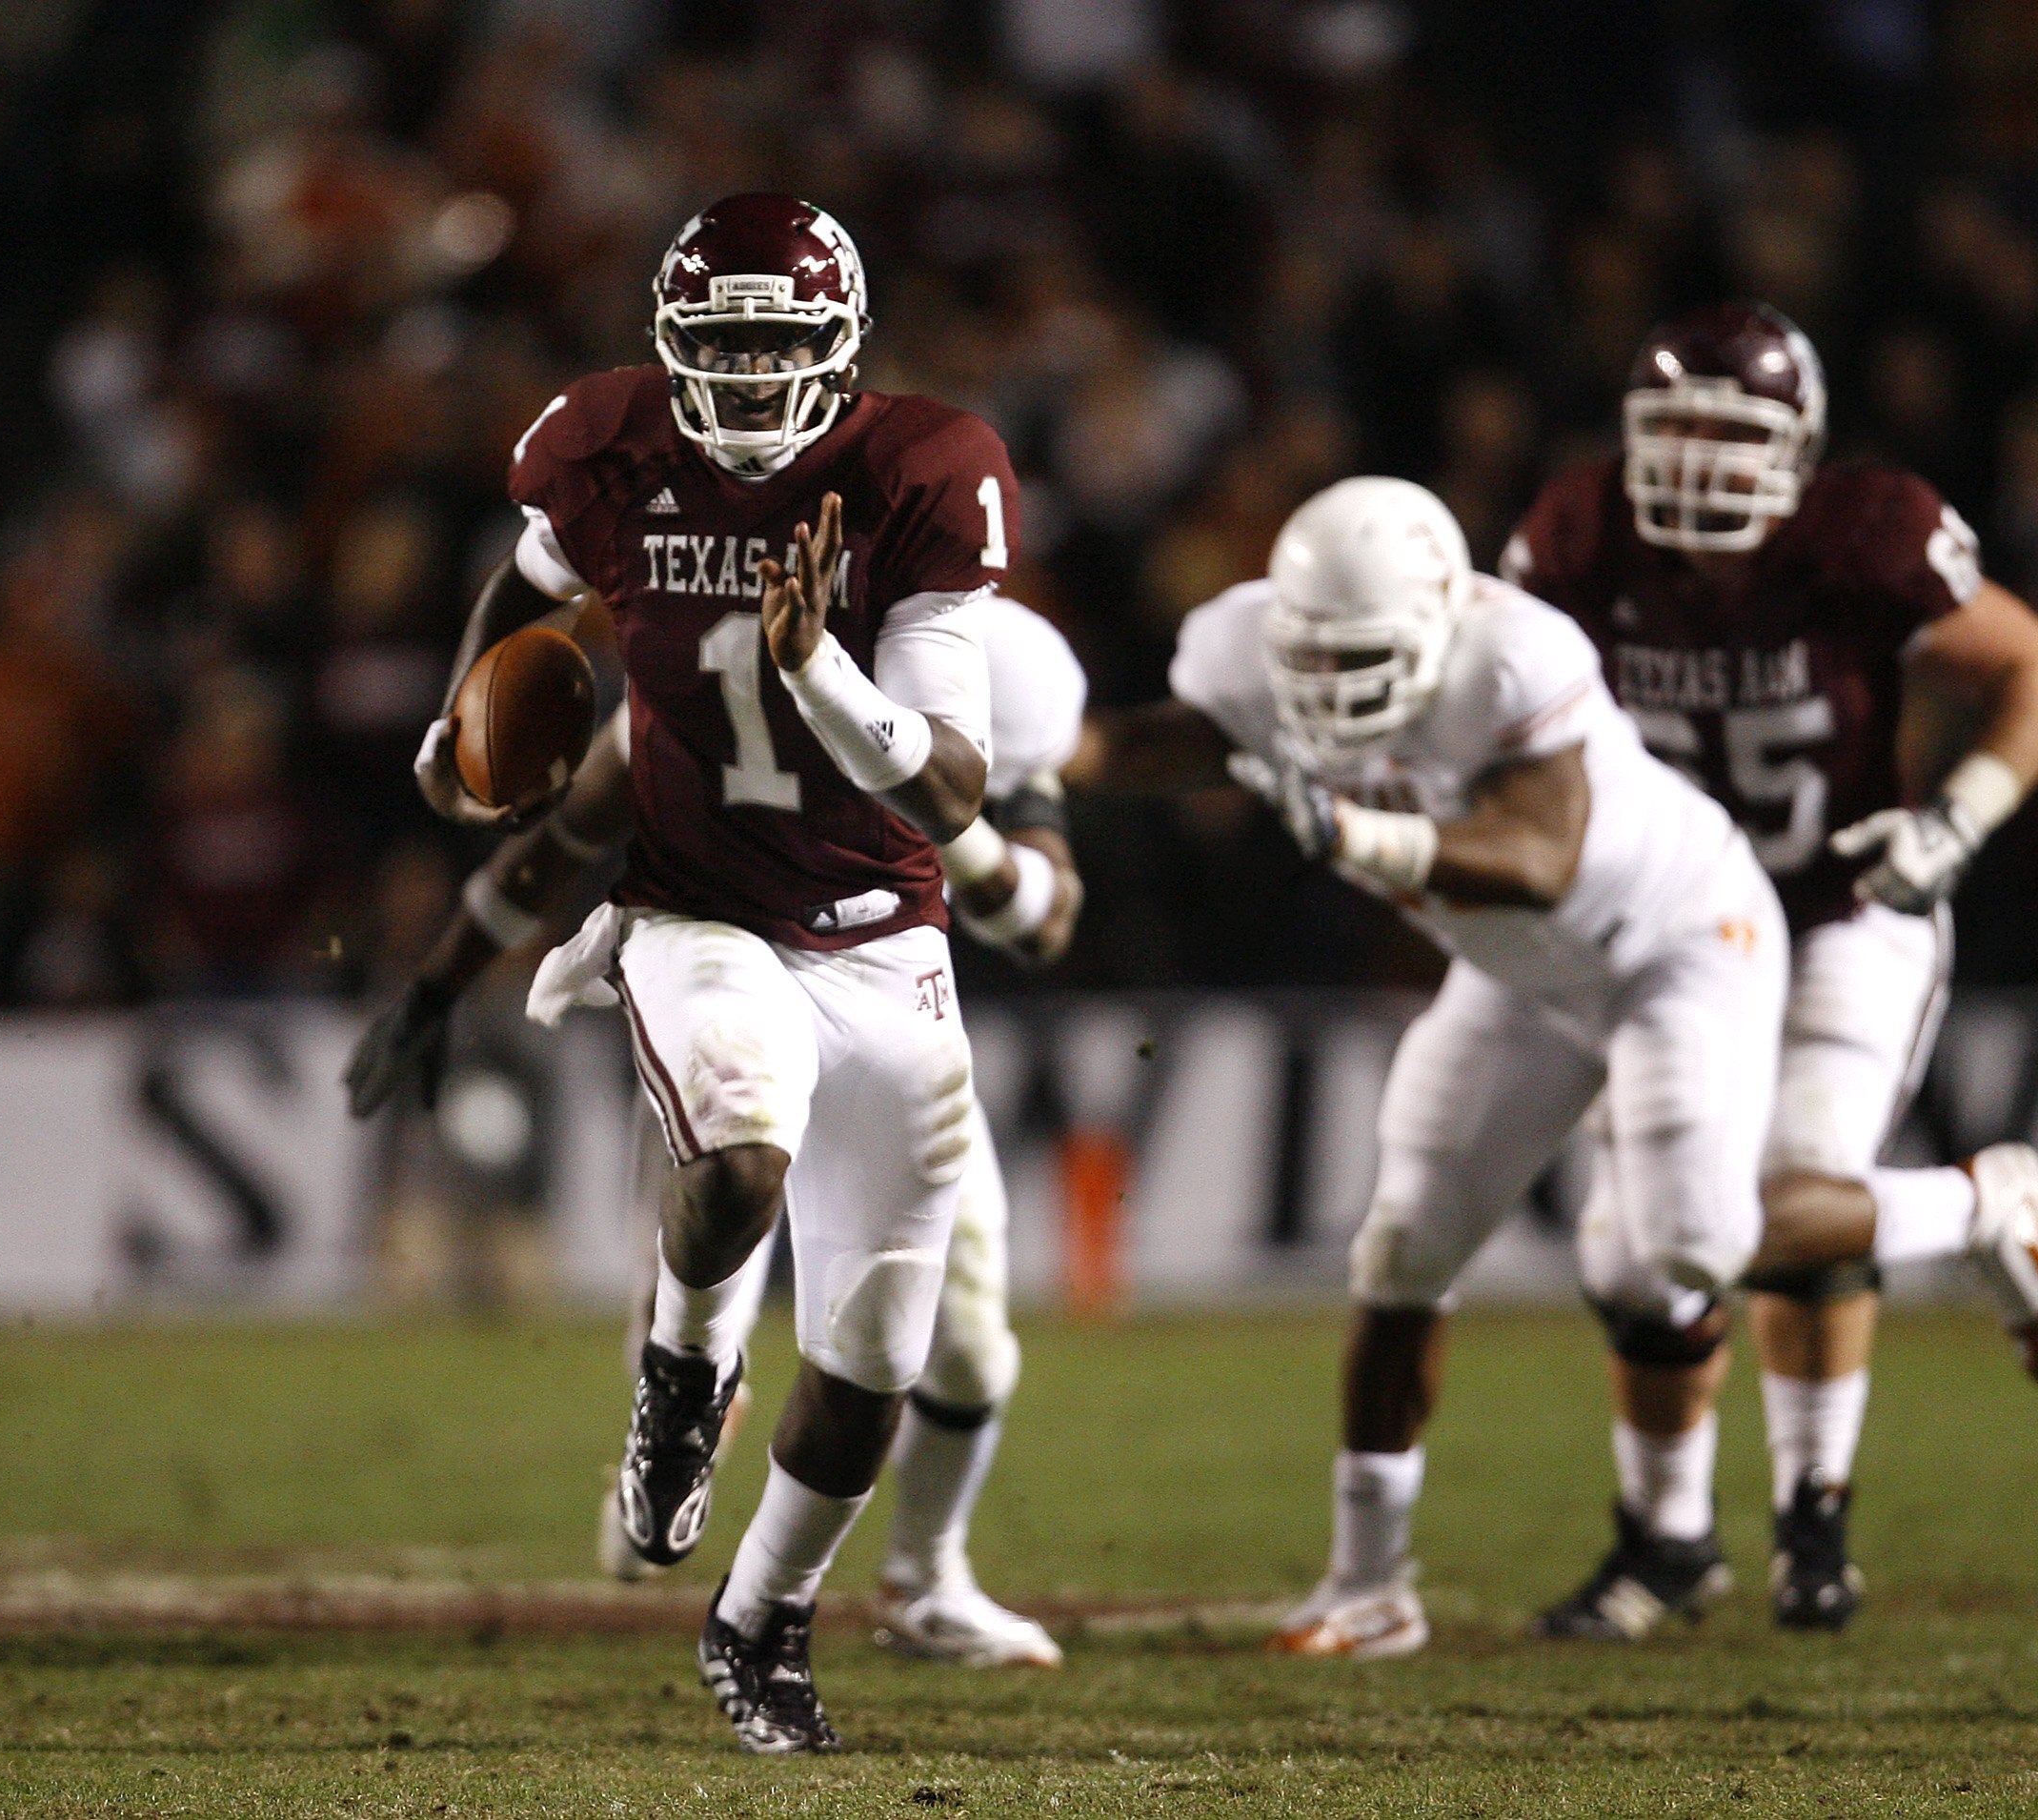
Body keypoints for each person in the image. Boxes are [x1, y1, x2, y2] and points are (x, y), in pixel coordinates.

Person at [410, 193, 1015, 1751]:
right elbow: (529, 585)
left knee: (874, 1355)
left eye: (777, 346)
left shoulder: (922, 473)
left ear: (840, 350)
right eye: (720, 346)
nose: (747, 378)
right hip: (696, 912)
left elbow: (945, 785)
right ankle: (681, 1378)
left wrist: (816, 661)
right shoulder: (604, 446)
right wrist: (465, 714)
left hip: (885, 935)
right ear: (673, 346)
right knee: (739, 1152)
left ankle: (762, 1624)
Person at [1073, 475, 1788, 1660]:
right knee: (1402, 1244)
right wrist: (1012, 746)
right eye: (1310, 658)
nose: (1329, 689)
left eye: (1362, 657)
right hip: (1519, 976)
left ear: (1444, 619)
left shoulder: (1513, 658)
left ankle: (1971, 1209)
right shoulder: (1245, 646)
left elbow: (1540, 855)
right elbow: (1157, 742)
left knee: (1687, 1244)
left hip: (1673, 942)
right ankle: (1370, 1583)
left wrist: (1357, 834)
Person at [351, 595, 1086, 1669]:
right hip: (737, 999)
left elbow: (1043, 919)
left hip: (895, 1020)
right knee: (709, 1262)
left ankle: (926, 1577)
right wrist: (436, 984)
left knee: (967, 1343)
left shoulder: (989, 670)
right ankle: (673, 1446)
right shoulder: (710, 667)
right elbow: (564, 842)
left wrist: (967, 841)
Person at [1501, 301, 2038, 1635]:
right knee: (1634, 1251)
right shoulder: (1580, 536)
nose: (1701, 457)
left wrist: (1960, 815)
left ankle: (1812, 1519)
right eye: (1678, 427)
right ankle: (1669, 1540)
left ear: (1802, 447)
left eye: (1733, 429)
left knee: (1785, 1193)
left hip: (1838, 907)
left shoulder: (1860, 536)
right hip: (1670, 937)